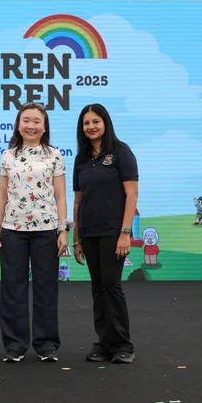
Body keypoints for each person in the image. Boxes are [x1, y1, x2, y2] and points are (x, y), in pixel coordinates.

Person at [0, 103, 68, 363]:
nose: (31, 125)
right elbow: (2, 195)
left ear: (44, 126)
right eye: (26, 120)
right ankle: (15, 345)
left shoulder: (54, 155)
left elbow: (60, 195)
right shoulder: (8, 155)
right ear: (18, 124)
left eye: (37, 121)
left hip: (46, 231)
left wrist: (62, 230)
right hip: (13, 230)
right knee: (13, 289)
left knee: (46, 289)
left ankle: (47, 345)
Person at [71, 103, 139, 364]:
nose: (91, 127)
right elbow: (78, 201)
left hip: (114, 231)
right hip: (89, 232)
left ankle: (123, 344)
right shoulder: (81, 158)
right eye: (86, 123)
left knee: (111, 285)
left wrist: (125, 233)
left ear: (105, 123)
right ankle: (104, 342)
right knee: (98, 288)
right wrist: (76, 239)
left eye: (95, 122)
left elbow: (131, 194)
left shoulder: (121, 152)